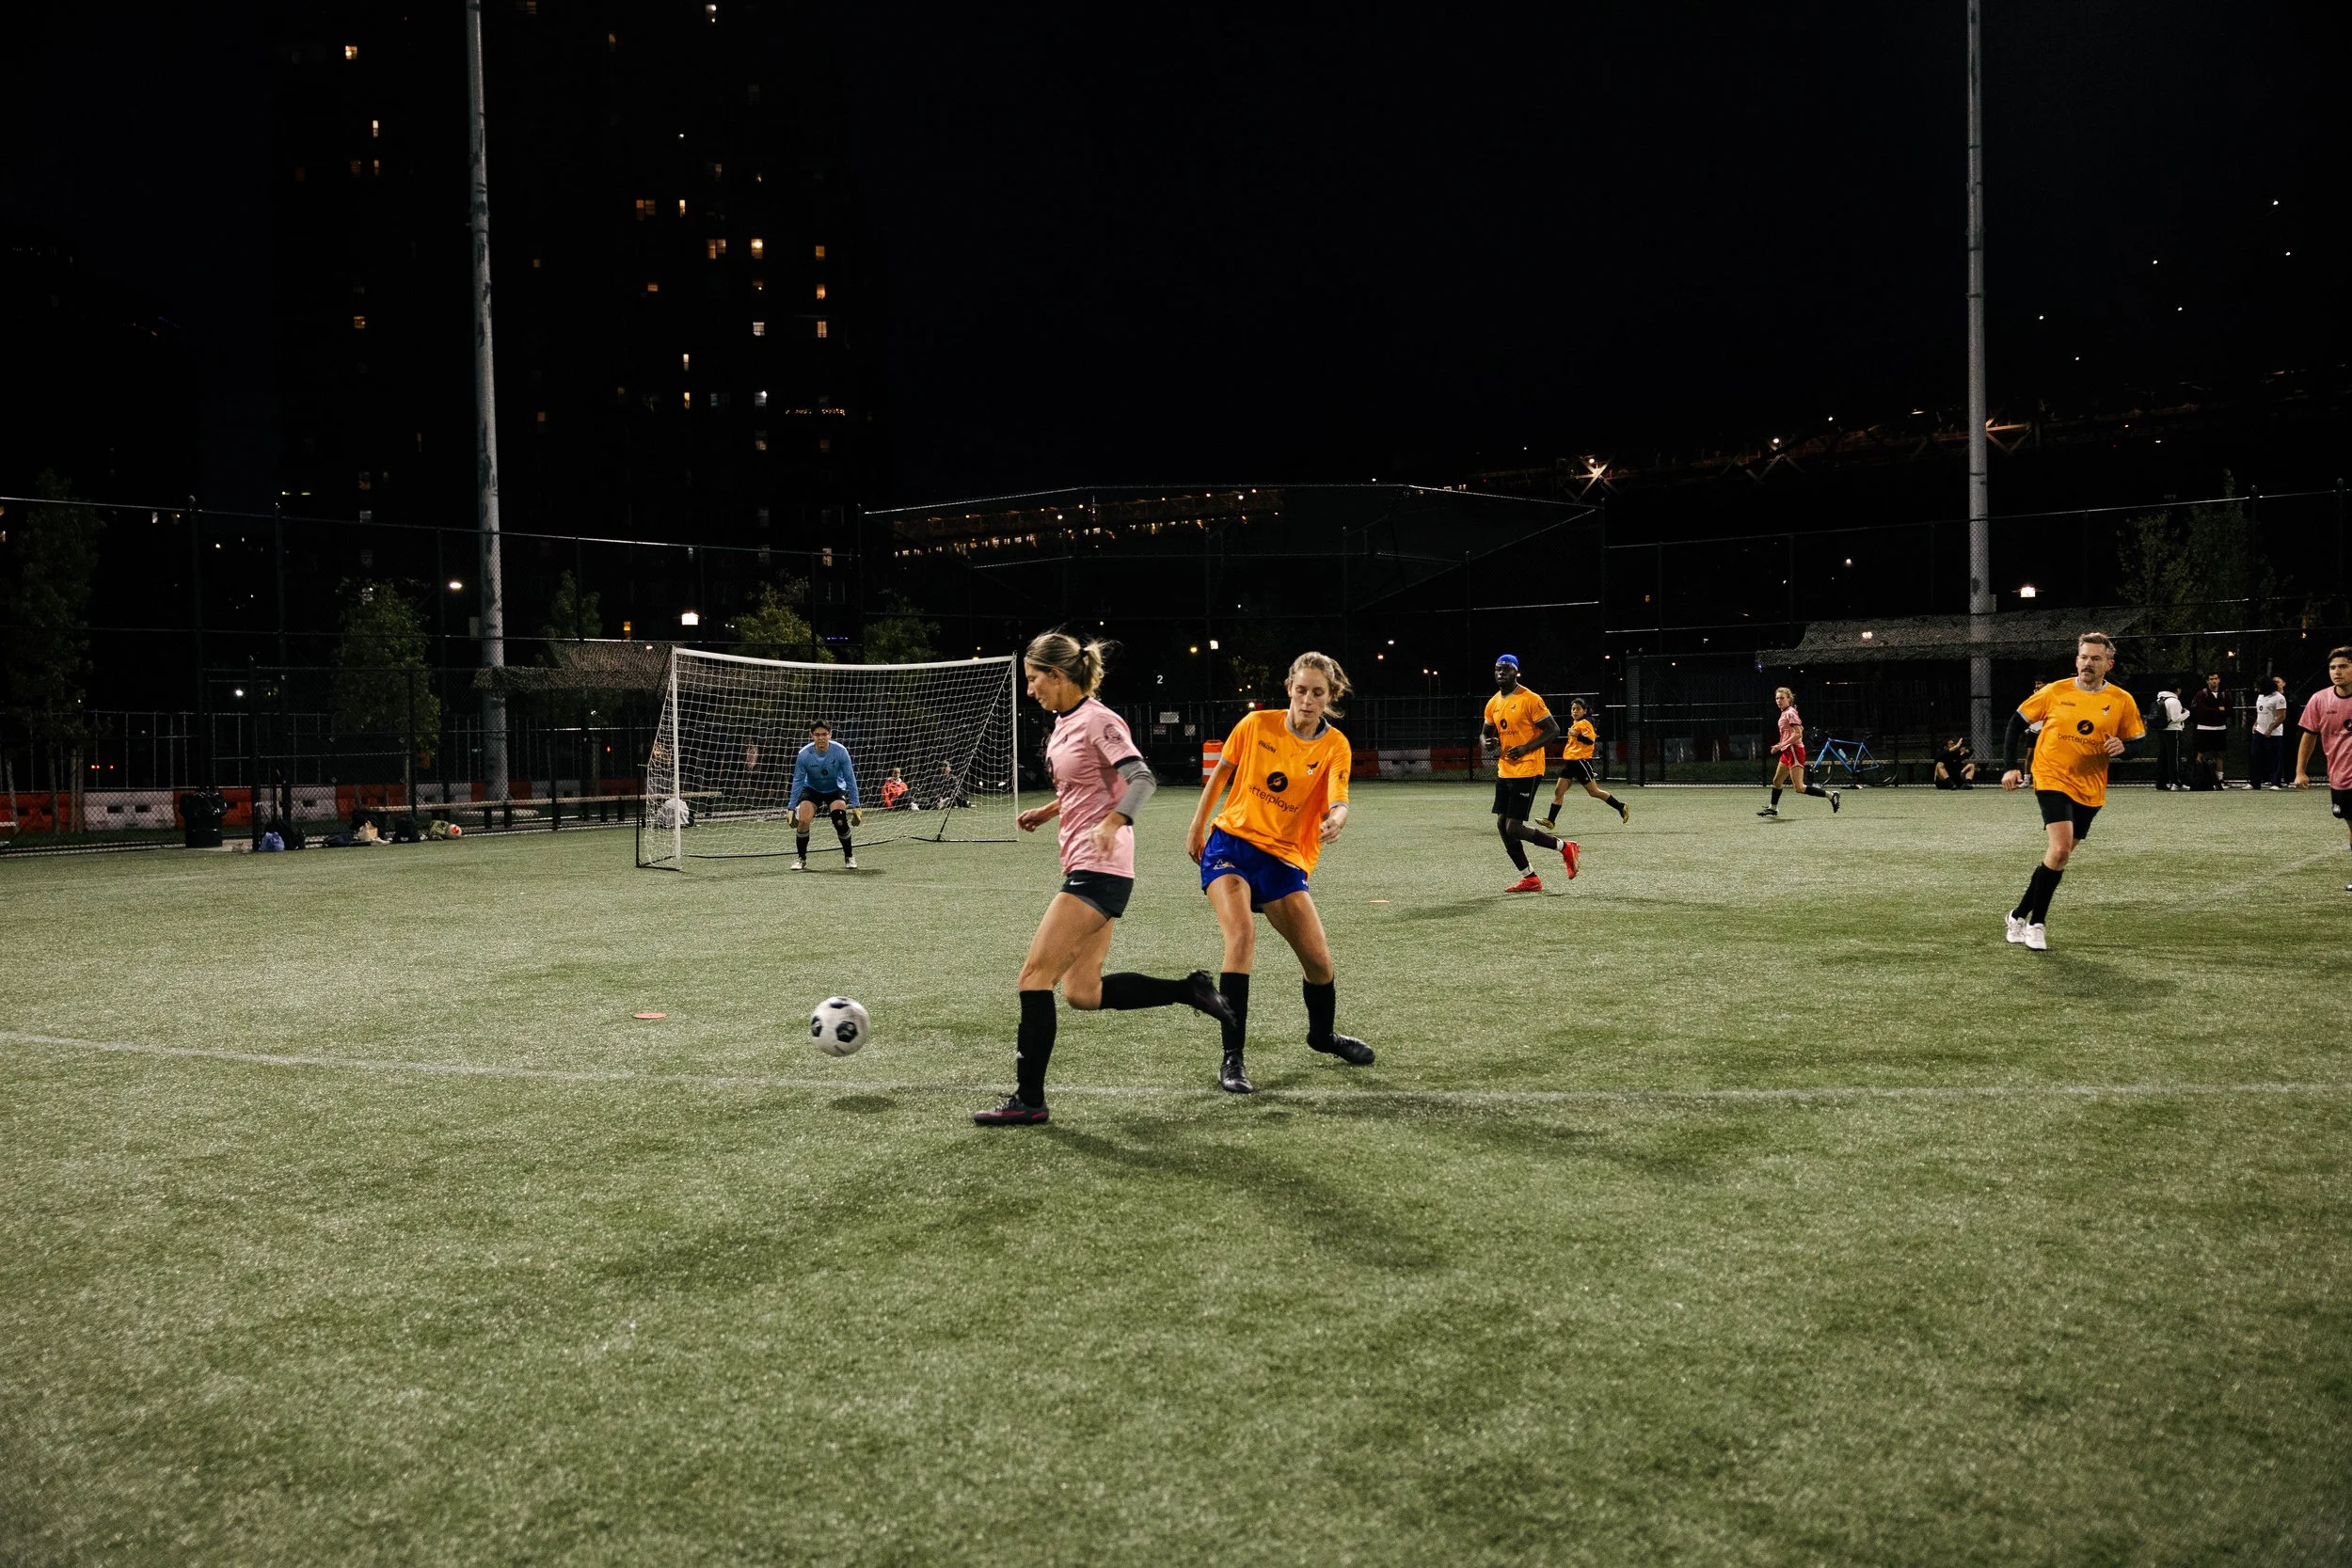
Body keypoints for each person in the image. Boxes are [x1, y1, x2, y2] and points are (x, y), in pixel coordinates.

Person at [974, 632, 1234, 1126]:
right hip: (1084, 866)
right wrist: (1050, 811)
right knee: (1083, 993)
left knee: (1033, 978)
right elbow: (1085, 786)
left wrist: (1116, 822)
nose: (1030, 690)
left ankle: (1029, 1100)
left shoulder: (1099, 719)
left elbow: (1141, 778)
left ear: (1058, 675)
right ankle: (1190, 989)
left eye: (1034, 680)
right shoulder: (1062, 724)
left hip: (1101, 872)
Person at [1186, 651, 1372, 1095]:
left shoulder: (1335, 745)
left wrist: (1337, 820)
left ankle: (1322, 1036)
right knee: (1242, 936)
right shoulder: (1255, 726)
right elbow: (1220, 775)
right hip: (1230, 844)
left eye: (1318, 693)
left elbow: (1339, 798)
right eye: (1302, 690)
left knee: (1319, 962)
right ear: (1289, 687)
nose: (1308, 699)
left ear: (1331, 696)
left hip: (1285, 859)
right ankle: (1232, 1057)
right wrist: (1198, 826)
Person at [2000, 631, 2146, 952]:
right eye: (2083, 657)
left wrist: (2125, 748)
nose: (2087, 663)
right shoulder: (2055, 691)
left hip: (2091, 787)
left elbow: (2138, 742)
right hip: (2050, 777)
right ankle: (2037, 923)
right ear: (2076, 660)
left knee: (2057, 857)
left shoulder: (2122, 700)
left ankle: (2017, 914)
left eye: (2095, 658)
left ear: (2109, 663)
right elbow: (2015, 723)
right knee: (2061, 849)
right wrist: (2009, 766)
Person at [1480, 655, 1579, 892]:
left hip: (1528, 768)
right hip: (1505, 770)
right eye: (1497, 669)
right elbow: (1483, 734)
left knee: (1513, 827)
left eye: (1506, 669)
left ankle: (1565, 847)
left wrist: (1525, 748)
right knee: (1501, 824)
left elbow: (1553, 730)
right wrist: (1487, 744)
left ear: (1516, 673)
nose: (1500, 673)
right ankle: (1530, 878)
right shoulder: (1493, 702)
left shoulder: (1530, 699)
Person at [2291, 646, 2352, 855]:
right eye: (2333, 667)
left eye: (2343, 666)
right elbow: (2309, 736)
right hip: (2341, 776)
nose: (2337, 671)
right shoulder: (2319, 700)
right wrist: (2300, 771)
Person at [1540, 698, 1629, 828]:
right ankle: (1551, 821)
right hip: (1570, 762)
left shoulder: (1586, 723)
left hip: (1580, 762)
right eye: (1573, 709)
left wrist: (1577, 735)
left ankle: (1621, 806)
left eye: (1578, 709)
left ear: (1584, 711)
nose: (1575, 711)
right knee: (1558, 792)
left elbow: (1590, 740)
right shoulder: (1577, 723)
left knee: (1594, 792)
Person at [787, 721, 861, 870]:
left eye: (824, 734)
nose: (821, 738)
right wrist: (791, 807)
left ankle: (849, 856)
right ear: (812, 735)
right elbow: (798, 781)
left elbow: (850, 778)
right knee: (802, 822)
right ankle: (801, 859)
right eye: (817, 735)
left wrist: (856, 805)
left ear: (830, 734)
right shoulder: (804, 754)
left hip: (835, 789)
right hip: (812, 789)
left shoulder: (840, 751)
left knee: (840, 820)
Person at [1759, 687, 1838, 817]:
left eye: (1782, 698)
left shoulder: (1789, 712)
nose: (1779, 700)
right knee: (1777, 781)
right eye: (1777, 698)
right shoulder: (1787, 712)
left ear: (1789, 699)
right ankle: (1773, 808)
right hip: (1787, 751)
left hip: (1794, 751)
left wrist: (1780, 745)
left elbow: (1798, 734)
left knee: (1799, 788)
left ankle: (1831, 795)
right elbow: (1799, 727)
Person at [2188, 672, 2231, 789]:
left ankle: (2220, 780)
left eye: (2216, 678)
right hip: (2204, 728)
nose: (2214, 681)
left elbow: (2228, 711)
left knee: (2220, 754)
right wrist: (2218, 710)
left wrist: (2216, 712)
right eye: (2211, 679)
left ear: (2219, 680)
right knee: (2200, 753)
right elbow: (2202, 711)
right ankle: (2197, 778)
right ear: (2207, 681)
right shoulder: (2202, 694)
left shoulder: (2225, 694)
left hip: (2220, 728)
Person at [2252, 674, 2289, 789]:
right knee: (2255, 755)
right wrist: (2255, 724)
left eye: (2258, 687)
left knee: (2274, 757)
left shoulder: (2279, 698)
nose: (2256, 690)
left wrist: (2270, 728)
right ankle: (2255, 782)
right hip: (2259, 731)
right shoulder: (2260, 696)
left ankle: (2275, 782)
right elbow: (2260, 713)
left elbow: (2281, 716)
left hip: (2274, 733)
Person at [2151, 686, 2188, 789]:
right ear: (2178, 689)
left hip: (2162, 731)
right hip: (2173, 731)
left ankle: (2161, 783)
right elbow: (2176, 718)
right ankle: (2176, 782)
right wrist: (2187, 713)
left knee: (2163, 757)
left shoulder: (2160, 699)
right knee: (2174, 757)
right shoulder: (2174, 701)